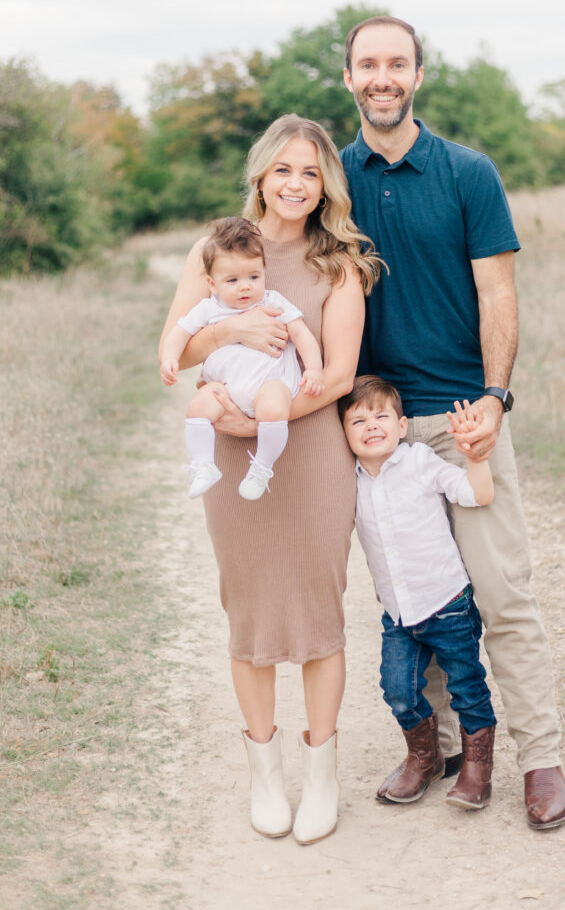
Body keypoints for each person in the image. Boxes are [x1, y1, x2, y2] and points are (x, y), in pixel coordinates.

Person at [339, 15, 565, 830]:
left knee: (502, 596)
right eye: (367, 64)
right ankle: (429, 747)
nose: (382, 77)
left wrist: (494, 400)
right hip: (376, 431)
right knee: (415, 600)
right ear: (348, 79)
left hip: (465, 417)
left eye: (395, 63)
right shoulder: (334, 181)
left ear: (417, 75)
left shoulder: (469, 172)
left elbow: (496, 295)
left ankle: (539, 758)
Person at [158, 114, 382, 844]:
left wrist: (260, 424)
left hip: (309, 451)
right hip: (230, 459)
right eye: (283, 169)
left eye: (311, 172)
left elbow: (341, 373)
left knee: (319, 614)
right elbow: (180, 347)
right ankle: (264, 772)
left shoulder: (339, 262)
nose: (295, 183)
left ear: (326, 185)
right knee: (247, 606)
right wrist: (229, 335)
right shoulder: (215, 249)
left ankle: (320, 772)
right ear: (260, 174)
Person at [340, 375, 498, 811]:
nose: (371, 425)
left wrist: (476, 457)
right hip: (399, 613)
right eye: (358, 420)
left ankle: (477, 767)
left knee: (466, 686)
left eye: (381, 416)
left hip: (446, 602)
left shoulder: (420, 462)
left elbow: (477, 494)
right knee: (398, 689)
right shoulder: (348, 481)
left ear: (402, 425)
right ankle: (424, 759)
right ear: (345, 433)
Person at [159, 217, 324, 500]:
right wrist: (169, 359)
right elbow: (178, 333)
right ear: (212, 283)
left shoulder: (273, 301)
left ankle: (262, 466)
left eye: (253, 277)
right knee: (198, 407)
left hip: (269, 384)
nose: (245, 287)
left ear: (263, 272)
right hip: (227, 390)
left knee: (273, 408)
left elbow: (301, 334)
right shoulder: (208, 308)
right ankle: (204, 465)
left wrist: (314, 370)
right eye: (232, 280)